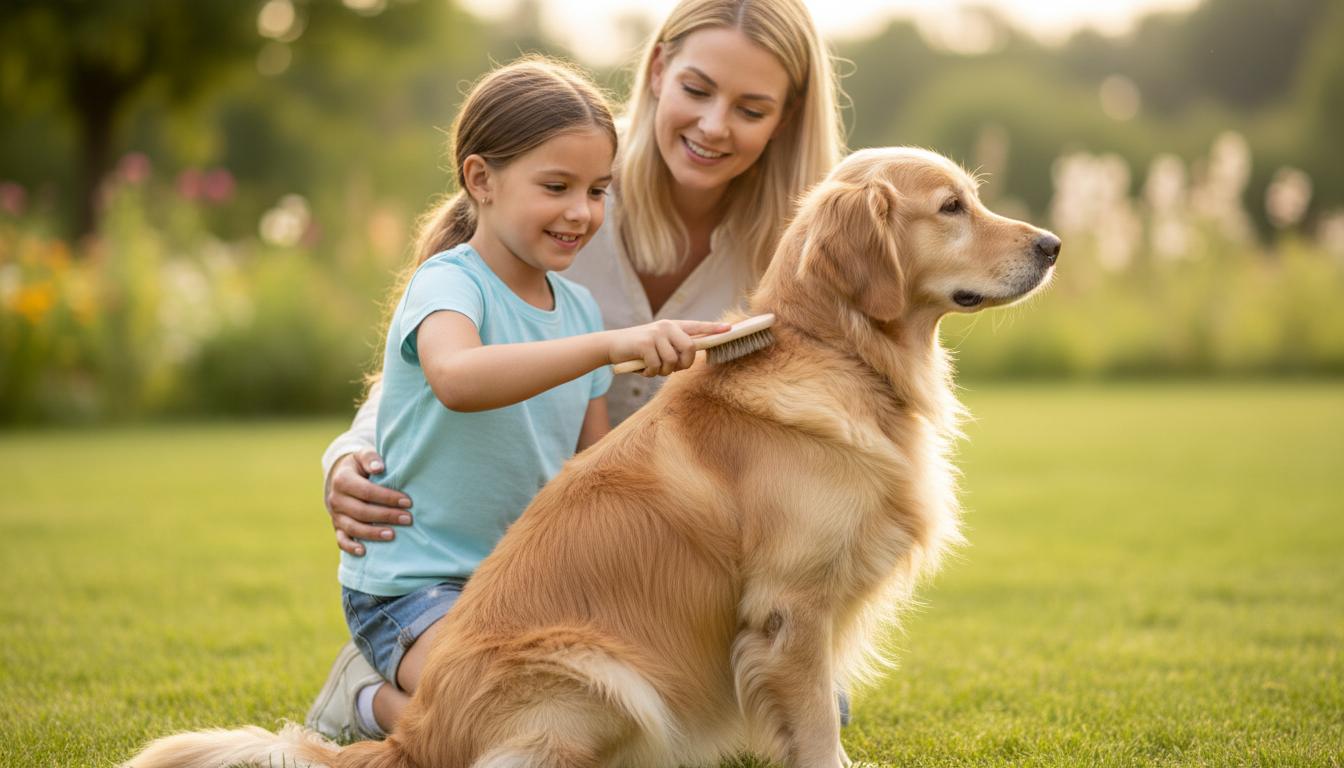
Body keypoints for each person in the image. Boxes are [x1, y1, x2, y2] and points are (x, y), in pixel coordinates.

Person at [311, 0, 850, 738]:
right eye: (697, 90)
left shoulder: (795, 250)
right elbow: (436, 373)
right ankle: (376, 702)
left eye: (751, 108)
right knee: (514, 712)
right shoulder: (551, 188)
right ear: (658, 69)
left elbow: (592, 468)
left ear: (786, 116)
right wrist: (348, 455)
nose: (715, 125)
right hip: (453, 565)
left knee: (781, 701)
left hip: (612, 557)